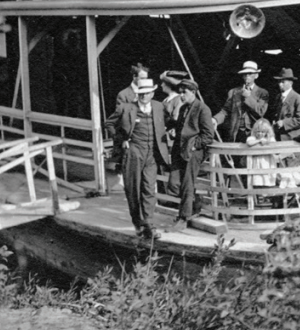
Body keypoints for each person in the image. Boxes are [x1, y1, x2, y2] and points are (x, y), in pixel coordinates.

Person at [105, 77, 169, 240]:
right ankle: (138, 223)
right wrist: (121, 140)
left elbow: (169, 121)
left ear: (152, 93)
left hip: (151, 154)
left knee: (149, 188)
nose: (143, 96)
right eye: (141, 93)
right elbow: (109, 124)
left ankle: (149, 225)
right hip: (133, 151)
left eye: (147, 93)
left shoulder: (159, 106)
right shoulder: (126, 108)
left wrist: (169, 132)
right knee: (133, 189)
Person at [172, 78, 215, 230]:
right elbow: (180, 130)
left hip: (194, 152)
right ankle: (195, 203)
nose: (181, 96)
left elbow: (208, 135)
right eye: (180, 92)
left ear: (194, 92)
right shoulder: (183, 109)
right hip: (179, 150)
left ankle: (183, 217)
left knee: (186, 183)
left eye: (185, 92)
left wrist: (194, 146)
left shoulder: (203, 109)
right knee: (173, 184)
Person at [213, 60, 269, 145]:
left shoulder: (262, 93)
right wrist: (215, 119)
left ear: (256, 75)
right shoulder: (234, 92)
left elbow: (261, 112)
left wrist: (248, 97)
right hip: (236, 133)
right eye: (245, 74)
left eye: (250, 73)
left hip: (254, 134)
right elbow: (225, 111)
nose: (247, 76)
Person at [271, 68, 300, 139]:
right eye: (279, 82)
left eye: (283, 82)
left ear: (291, 83)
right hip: (280, 136)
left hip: (294, 138)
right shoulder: (278, 97)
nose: (280, 84)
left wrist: (284, 123)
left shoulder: (298, 98)